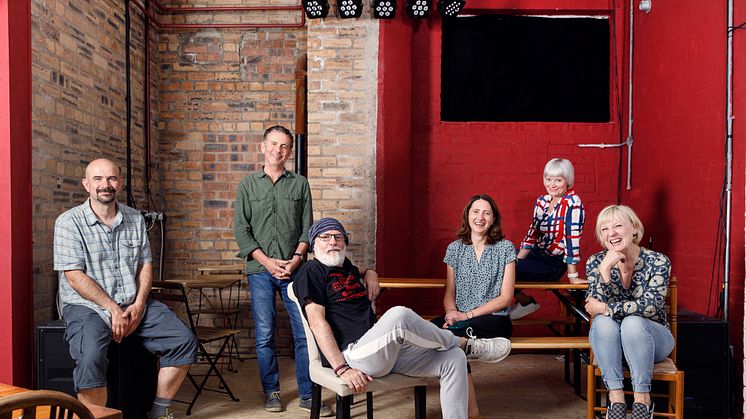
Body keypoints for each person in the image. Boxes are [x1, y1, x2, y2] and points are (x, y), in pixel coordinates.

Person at [293, 217, 512, 419]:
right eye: (325, 237)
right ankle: (463, 343)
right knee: (399, 315)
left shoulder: (345, 268)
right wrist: (342, 368)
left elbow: (359, 269)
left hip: (380, 350)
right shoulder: (311, 270)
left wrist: (370, 271)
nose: (333, 241)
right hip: (353, 355)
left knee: (453, 359)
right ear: (313, 244)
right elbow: (316, 322)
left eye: (338, 237)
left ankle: (459, 352)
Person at [53, 158, 197, 419]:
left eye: (111, 178)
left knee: (183, 341)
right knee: (91, 358)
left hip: (132, 302)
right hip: (88, 307)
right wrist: (112, 310)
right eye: (97, 179)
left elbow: (145, 265)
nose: (105, 185)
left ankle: (159, 412)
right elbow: (74, 276)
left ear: (118, 182)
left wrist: (140, 304)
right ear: (87, 184)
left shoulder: (134, 218)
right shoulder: (68, 222)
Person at [233, 125, 331, 415]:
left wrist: (296, 260)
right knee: (264, 334)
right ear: (263, 147)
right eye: (273, 144)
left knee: (305, 332)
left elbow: (307, 229)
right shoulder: (247, 185)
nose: (278, 150)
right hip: (260, 270)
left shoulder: (300, 185)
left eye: (285, 146)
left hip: (295, 269)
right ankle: (272, 392)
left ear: (290, 151)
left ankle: (306, 394)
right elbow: (242, 230)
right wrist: (267, 262)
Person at [584, 205, 674, 419]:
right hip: (612, 344)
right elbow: (593, 309)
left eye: (617, 226)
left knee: (632, 323)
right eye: (604, 229)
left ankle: (642, 400)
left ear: (634, 229)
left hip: (653, 340)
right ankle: (616, 401)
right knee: (603, 323)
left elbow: (651, 306)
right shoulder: (596, 262)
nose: (611, 233)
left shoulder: (658, 261)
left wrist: (606, 308)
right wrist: (605, 272)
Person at [432, 194, 515, 419]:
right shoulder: (454, 249)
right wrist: (451, 313)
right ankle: (472, 411)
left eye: (486, 213)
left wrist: (465, 314)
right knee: (429, 331)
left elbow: (506, 298)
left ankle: (469, 411)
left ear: (493, 218)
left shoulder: (506, 248)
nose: (480, 217)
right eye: (476, 212)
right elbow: (449, 293)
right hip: (459, 320)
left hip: (493, 318)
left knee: (446, 339)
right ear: (467, 216)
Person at [510, 158, 586, 320]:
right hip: (536, 255)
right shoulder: (542, 201)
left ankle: (500, 310)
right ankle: (524, 302)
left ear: (568, 181)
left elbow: (571, 238)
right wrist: (516, 260)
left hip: (553, 264)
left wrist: (573, 277)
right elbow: (532, 234)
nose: (552, 184)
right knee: (497, 259)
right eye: (548, 179)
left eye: (558, 180)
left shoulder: (573, 202)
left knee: (505, 267)